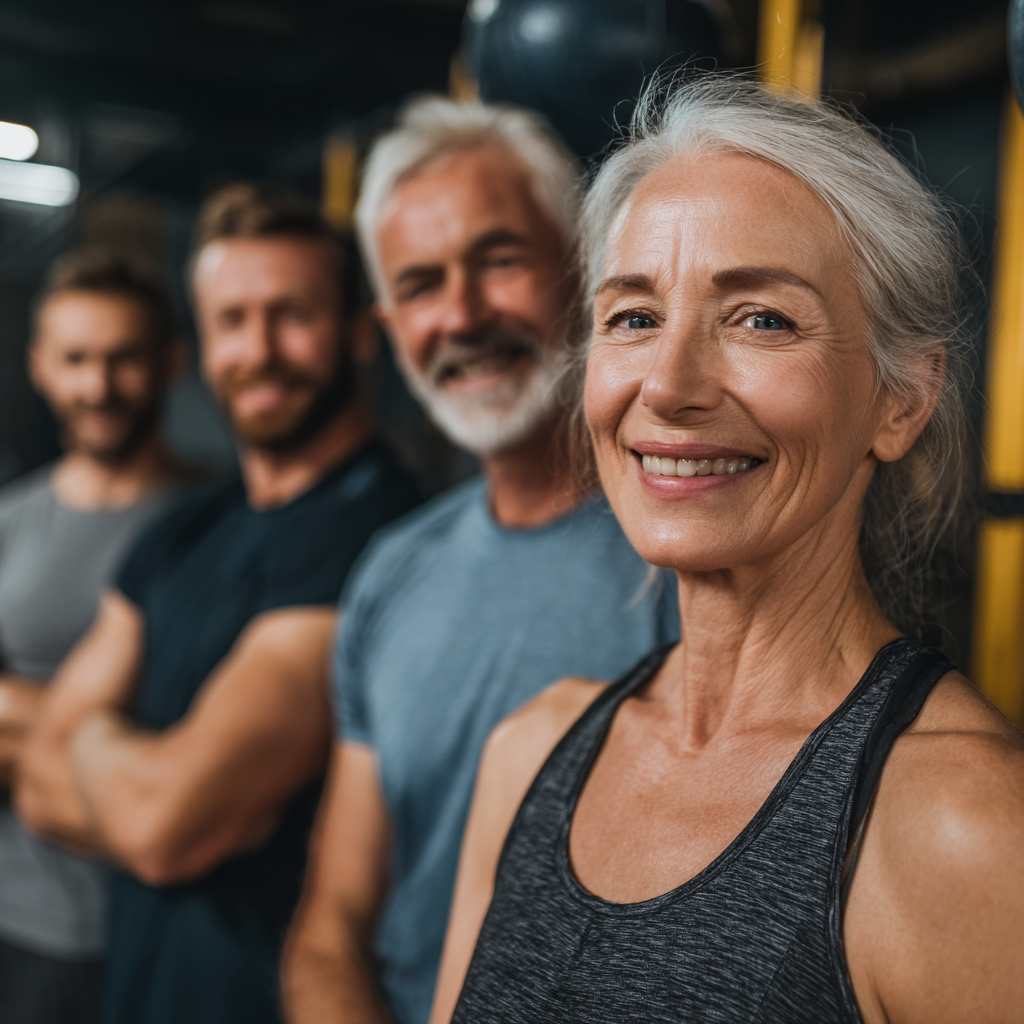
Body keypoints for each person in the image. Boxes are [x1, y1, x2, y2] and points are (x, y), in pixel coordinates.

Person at [430, 75, 1024, 1024]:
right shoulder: (528, 754)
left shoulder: (965, 826)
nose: (670, 385)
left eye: (762, 319)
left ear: (901, 399)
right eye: (634, 317)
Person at [281, 97, 680, 1024]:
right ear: (389, 326)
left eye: (498, 261)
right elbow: (333, 924)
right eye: (420, 285)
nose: (461, 315)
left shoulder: (684, 556)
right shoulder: (392, 573)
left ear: (583, 266)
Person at [17, 185, 422, 1024]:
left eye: (292, 315)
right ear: (203, 346)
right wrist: (144, 776)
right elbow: (38, 792)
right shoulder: (183, 530)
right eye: (233, 320)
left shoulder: (380, 534)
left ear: (358, 331)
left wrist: (89, 735)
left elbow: (167, 825)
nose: (259, 349)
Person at [0, 250, 190, 1024]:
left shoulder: (215, 522)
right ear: (40, 366)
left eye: (123, 358)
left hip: (169, 922)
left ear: (172, 361)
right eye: (76, 359)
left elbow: (205, 761)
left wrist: (18, 714)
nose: (98, 386)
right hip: (18, 922)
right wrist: (130, 743)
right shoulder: (9, 523)